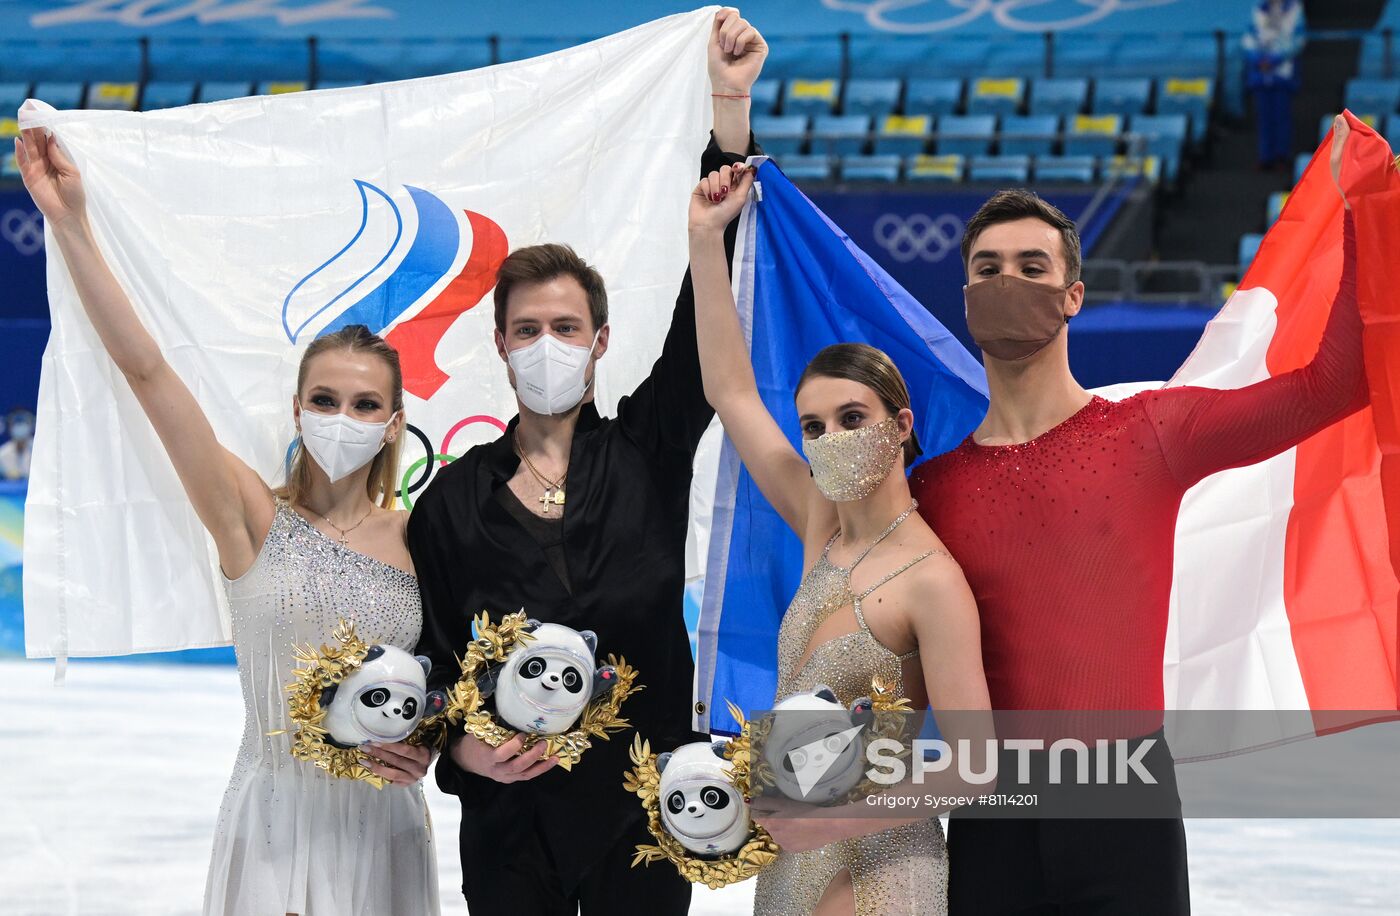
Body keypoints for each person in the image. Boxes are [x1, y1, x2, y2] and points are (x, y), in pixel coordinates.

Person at [910, 116, 1363, 914]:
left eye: (1031, 265)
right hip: (992, 814)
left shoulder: (1152, 431)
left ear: (1073, 295)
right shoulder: (932, 489)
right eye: (988, 267)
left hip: (1126, 808)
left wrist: (1365, 214)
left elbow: (1334, 383)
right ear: (967, 295)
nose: (1007, 280)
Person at [16, 127, 439, 916]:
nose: (340, 417)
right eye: (324, 400)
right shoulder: (249, 514)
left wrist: (431, 740)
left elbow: (451, 680)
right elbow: (146, 371)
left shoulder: (426, 538)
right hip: (273, 820)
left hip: (385, 826)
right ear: (296, 410)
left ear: (393, 423)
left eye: (364, 404)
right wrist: (69, 224)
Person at [406, 9, 766, 913]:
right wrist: (458, 748)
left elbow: (702, 319)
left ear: (600, 340)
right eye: (527, 330)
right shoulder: (449, 502)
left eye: (565, 328)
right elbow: (433, 656)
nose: (547, 344)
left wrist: (728, 114)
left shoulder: (648, 445)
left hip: (641, 819)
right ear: (498, 344)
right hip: (508, 816)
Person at [688, 164, 993, 915]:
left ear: (901, 423)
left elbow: (978, 766)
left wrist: (839, 815)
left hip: (883, 864)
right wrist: (703, 239)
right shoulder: (817, 521)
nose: (830, 439)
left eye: (852, 418)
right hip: (795, 859)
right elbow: (730, 390)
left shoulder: (932, 578)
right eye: (813, 426)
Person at [1243, 0, 1305, 170]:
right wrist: (1257, 59)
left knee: (1281, 116)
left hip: (1282, 72)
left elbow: (1299, 40)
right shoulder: (1258, 9)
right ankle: (1265, 156)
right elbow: (1248, 39)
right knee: (1264, 117)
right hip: (1260, 73)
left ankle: (1281, 156)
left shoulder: (1295, 9)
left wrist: (1276, 59)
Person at [0, 408, 34, 480]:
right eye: (17, 422)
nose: (20, 426)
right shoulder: (2, 453)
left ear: (30, 425)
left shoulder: (39, 449)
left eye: (24, 422)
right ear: (10, 427)